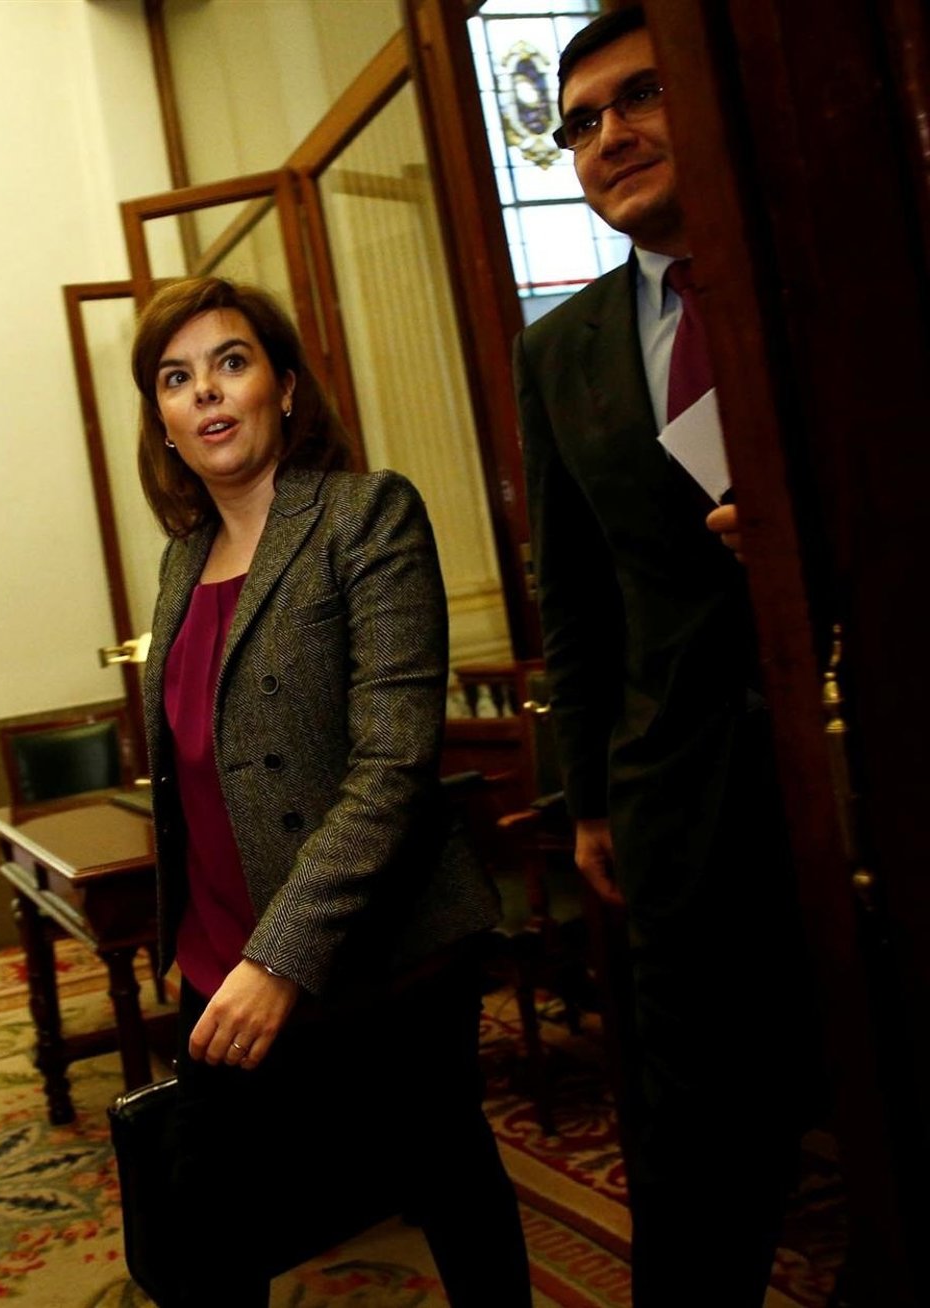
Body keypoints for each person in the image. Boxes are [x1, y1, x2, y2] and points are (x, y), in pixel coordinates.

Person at [132, 276, 533, 1307]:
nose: (206, 393)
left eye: (231, 363)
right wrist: (227, 954)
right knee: (207, 1233)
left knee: (448, 1187)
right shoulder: (180, 563)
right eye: (176, 378)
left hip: (381, 951)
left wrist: (284, 957)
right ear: (163, 422)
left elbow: (393, 763)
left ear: (285, 387)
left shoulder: (366, 514)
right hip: (220, 958)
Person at [513, 8, 816, 1306]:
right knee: (695, 1143)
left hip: (855, 758)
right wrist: (586, 795)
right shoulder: (559, 348)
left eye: (637, 98)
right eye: (581, 123)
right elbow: (573, 596)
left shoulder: (815, 268)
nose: (608, 137)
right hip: (676, 798)